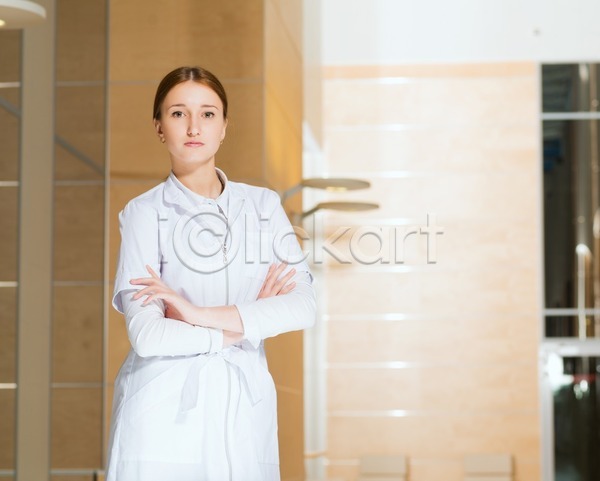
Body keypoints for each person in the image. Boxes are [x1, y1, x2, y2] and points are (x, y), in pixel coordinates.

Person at [105, 66, 316, 481]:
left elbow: (303, 307)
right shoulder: (144, 214)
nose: (193, 126)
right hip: (163, 412)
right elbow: (148, 336)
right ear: (159, 127)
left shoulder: (263, 207)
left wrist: (194, 313)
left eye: (207, 113)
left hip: (245, 408)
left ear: (224, 127)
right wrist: (245, 325)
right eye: (178, 113)